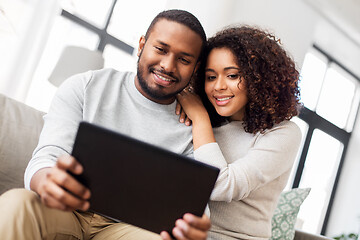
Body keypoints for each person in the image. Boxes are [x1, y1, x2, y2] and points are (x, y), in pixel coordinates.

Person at [0, 9, 211, 240]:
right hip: (66, 212)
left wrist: (192, 227)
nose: (168, 66)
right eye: (160, 49)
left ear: (195, 68)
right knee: (17, 203)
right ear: (141, 45)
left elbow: (196, 205)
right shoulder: (85, 86)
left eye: (183, 59)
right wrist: (46, 181)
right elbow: (48, 155)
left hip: (131, 230)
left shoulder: (194, 127)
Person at [176, 26, 302, 239]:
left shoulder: (284, 133)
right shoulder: (205, 119)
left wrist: (199, 118)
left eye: (232, 75)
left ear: (259, 78)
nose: (218, 86)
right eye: (210, 77)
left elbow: (221, 187)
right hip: (184, 231)